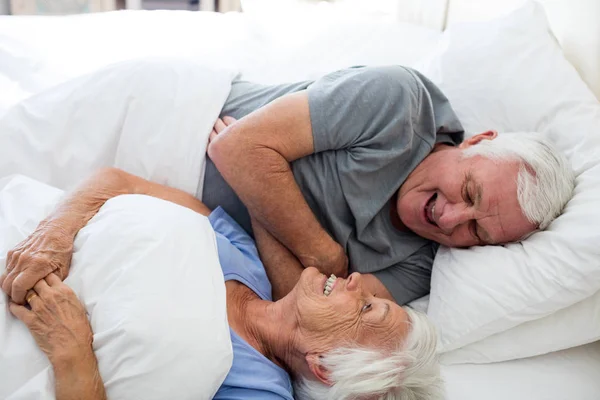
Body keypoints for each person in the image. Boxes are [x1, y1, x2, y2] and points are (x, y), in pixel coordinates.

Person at [4, 168, 442, 400]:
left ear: (325, 364)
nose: (357, 281)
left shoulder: (256, 393)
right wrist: (55, 234)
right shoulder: (243, 253)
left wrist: (71, 349)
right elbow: (119, 183)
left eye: (365, 307)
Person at [203, 65, 575, 303]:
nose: (449, 220)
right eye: (469, 192)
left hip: (193, 223)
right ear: (477, 142)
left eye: (476, 230)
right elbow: (234, 147)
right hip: (183, 130)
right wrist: (322, 255)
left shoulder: (421, 265)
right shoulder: (400, 103)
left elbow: (302, 309)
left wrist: (255, 190)